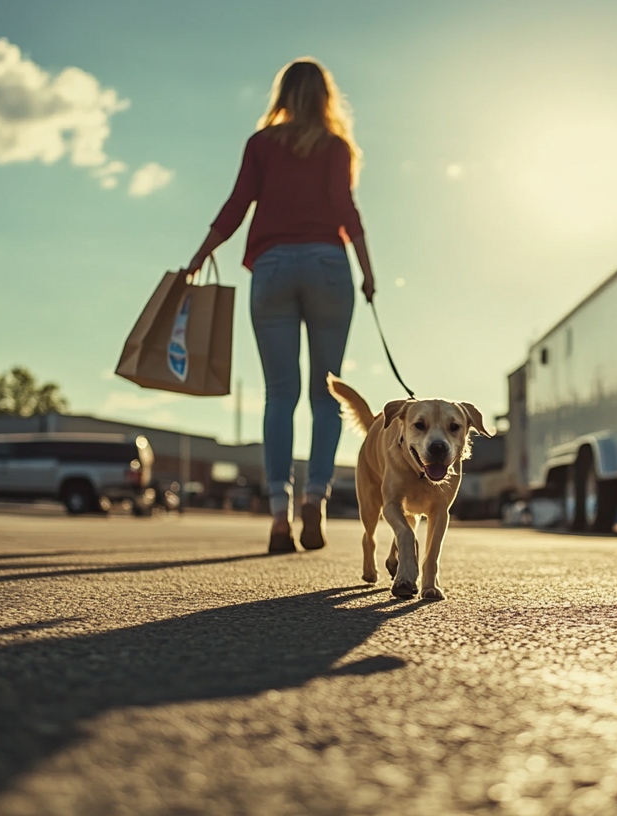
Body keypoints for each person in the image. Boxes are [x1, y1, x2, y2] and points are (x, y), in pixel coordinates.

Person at [183, 58, 375, 554]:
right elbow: (345, 209)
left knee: (279, 395)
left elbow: (237, 203)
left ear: (283, 94)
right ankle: (316, 498)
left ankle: (276, 516)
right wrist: (368, 269)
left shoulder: (261, 144)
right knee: (326, 394)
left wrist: (199, 256)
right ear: (325, 97)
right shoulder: (335, 147)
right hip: (330, 267)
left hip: (272, 269)